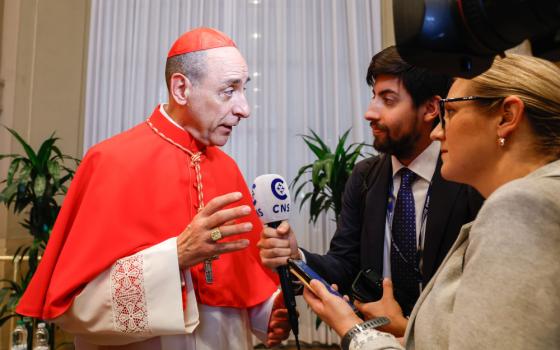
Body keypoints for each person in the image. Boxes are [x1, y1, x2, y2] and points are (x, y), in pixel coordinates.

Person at [16, 27, 290, 349]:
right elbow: (75, 305)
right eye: (229, 91)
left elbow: (239, 291)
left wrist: (269, 312)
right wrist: (176, 255)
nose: (244, 109)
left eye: (244, 90)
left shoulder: (227, 168)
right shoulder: (111, 160)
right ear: (181, 89)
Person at [302, 53, 560, 349]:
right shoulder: (365, 176)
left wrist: (351, 328)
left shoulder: (522, 206)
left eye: (449, 113)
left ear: (506, 117)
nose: (439, 131)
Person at [259, 46, 482, 332]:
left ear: (430, 109)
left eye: (388, 100)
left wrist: (409, 331)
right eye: (373, 97)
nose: (369, 113)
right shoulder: (364, 176)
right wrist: (295, 257)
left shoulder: (465, 175)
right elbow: (344, 263)